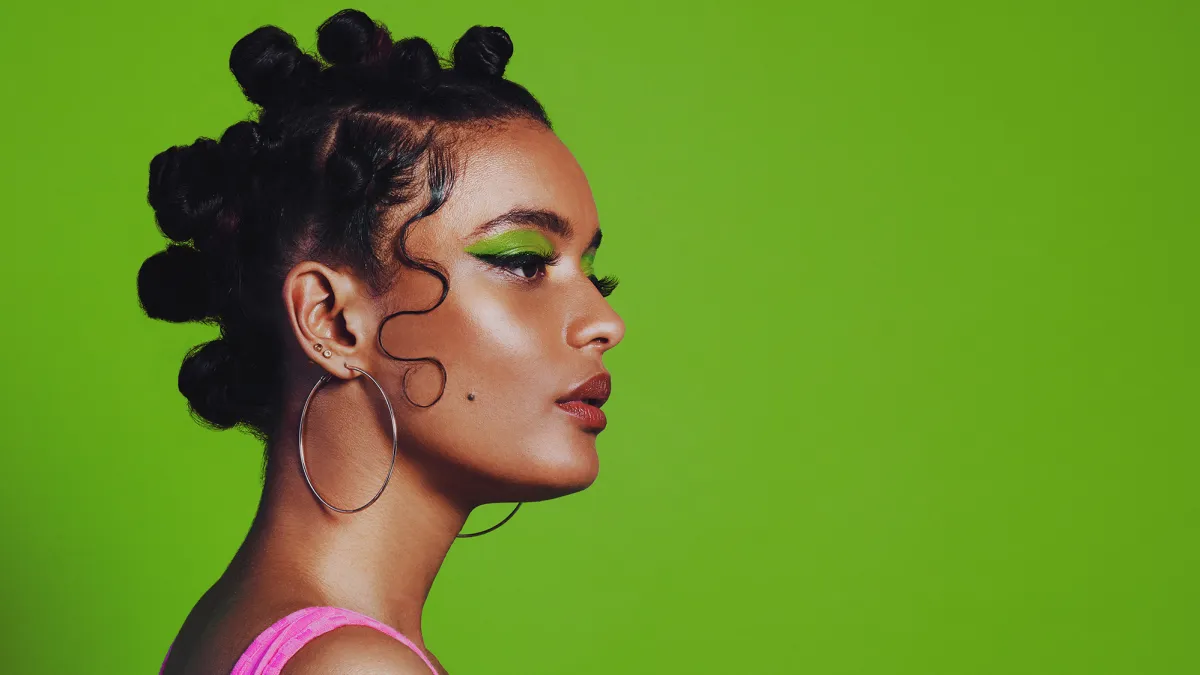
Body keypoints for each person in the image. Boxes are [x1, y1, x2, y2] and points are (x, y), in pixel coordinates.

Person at [144, 9, 626, 674]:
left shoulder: (230, 622)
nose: (604, 321)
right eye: (524, 262)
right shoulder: (354, 663)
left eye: (595, 274)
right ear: (333, 320)